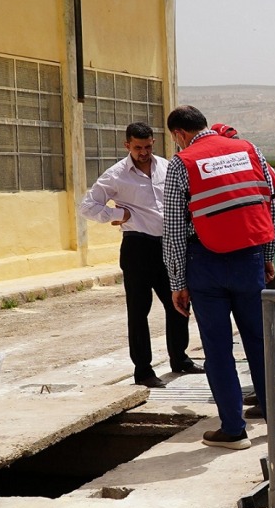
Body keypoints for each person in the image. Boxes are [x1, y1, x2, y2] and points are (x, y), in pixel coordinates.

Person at [162, 105, 275, 449]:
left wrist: (177, 282)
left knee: (218, 350)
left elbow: (174, 228)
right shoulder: (250, 150)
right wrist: (267, 256)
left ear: (179, 134)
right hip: (249, 258)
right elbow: (269, 205)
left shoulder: (181, 163)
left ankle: (233, 430)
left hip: (205, 263)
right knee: (261, 341)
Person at [77, 122, 202, 389]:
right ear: (127, 146)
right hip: (137, 247)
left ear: (153, 143)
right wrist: (117, 215)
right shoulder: (116, 175)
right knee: (138, 310)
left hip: (169, 245)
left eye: (147, 147)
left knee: (178, 303)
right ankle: (143, 371)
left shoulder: (168, 167)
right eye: (137, 148)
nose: (143, 152)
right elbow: (88, 206)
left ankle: (179, 359)